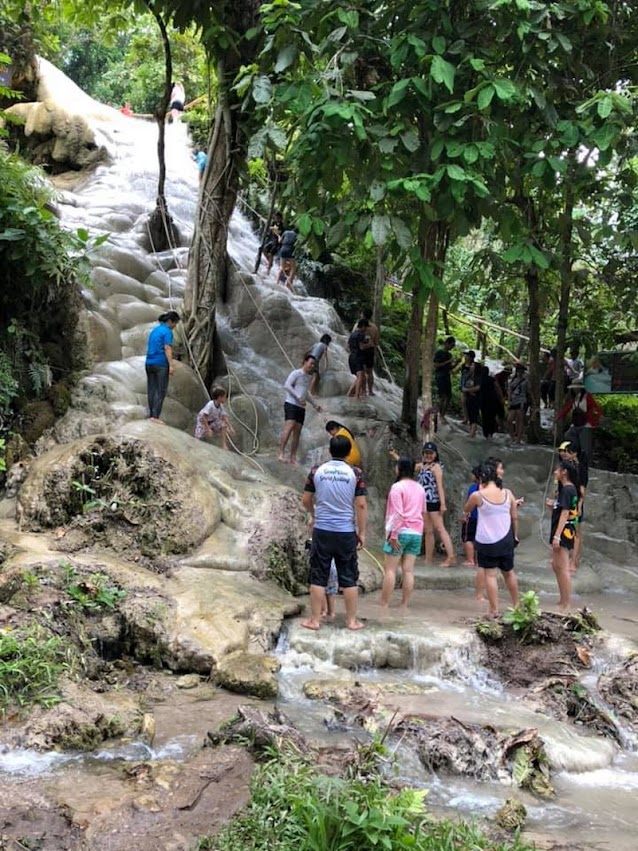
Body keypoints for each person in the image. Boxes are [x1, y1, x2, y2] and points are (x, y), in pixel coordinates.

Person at [301, 434, 367, 631]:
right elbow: (361, 505)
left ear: (330, 450)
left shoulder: (316, 471)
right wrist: (361, 532)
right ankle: (351, 621)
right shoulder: (355, 473)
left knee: (318, 575)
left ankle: (314, 620)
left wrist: (314, 515)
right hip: (345, 532)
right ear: (348, 453)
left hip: (322, 531)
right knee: (348, 577)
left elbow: (306, 499)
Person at [464, 461, 519, 618]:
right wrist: (515, 535)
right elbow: (514, 516)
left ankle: (494, 610)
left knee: (490, 575)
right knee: (509, 573)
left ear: (482, 478)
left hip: (487, 541)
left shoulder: (477, 495)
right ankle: (517, 606)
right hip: (506, 539)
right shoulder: (508, 493)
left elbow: (467, 509)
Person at [379, 456, 426, 609]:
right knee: (408, 571)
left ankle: (384, 604)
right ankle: (404, 605)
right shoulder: (420, 488)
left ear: (400, 468)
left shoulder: (397, 487)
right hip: (416, 533)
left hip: (400, 532)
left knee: (390, 570)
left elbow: (398, 514)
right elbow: (423, 512)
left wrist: (393, 536)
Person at [415, 442, 455, 566]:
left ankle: (451, 557)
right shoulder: (422, 466)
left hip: (434, 502)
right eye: (426, 453)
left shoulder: (436, 467)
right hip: (423, 503)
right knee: (428, 531)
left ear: (436, 454)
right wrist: (395, 455)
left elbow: (439, 486)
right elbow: (406, 465)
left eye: (431, 453)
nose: (428, 455)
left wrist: (442, 504)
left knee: (440, 529)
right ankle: (428, 559)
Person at [547, 461, 579, 612]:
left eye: (557, 470)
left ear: (564, 472)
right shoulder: (567, 490)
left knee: (563, 568)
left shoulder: (567, 489)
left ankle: (566, 603)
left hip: (564, 532)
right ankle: (562, 599)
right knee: (556, 565)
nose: (555, 472)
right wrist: (552, 506)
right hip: (563, 530)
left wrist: (557, 536)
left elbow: (566, 513)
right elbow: (562, 510)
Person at [278, 355, 322, 464]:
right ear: (305, 362)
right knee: (289, 427)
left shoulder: (307, 377)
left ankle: (292, 457)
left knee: (297, 431)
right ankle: (281, 453)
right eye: (311, 363)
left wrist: (315, 405)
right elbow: (287, 385)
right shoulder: (296, 373)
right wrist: (298, 397)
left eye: (314, 364)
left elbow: (306, 393)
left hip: (301, 407)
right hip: (291, 403)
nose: (312, 366)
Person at [145, 311, 180, 423]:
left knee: (151, 389)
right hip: (160, 364)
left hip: (149, 363)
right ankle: (155, 417)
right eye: (175, 323)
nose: (175, 326)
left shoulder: (155, 330)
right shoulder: (167, 331)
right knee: (161, 391)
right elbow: (167, 348)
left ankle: (151, 415)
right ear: (170, 321)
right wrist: (171, 365)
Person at [558, 441, 588, 571]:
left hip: (575, 503)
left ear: (574, 453)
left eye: (567, 452)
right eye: (563, 451)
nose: (564, 454)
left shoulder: (579, 468)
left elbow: (582, 489)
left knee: (575, 533)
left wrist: (579, 506)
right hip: (566, 500)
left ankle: (574, 562)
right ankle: (568, 558)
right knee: (566, 530)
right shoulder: (565, 466)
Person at [556, 382, 603, 461]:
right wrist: (558, 417)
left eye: (577, 387)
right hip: (576, 423)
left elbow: (596, 406)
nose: (575, 389)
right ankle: (576, 453)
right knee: (568, 435)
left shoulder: (587, 397)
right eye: (574, 388)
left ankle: (585, 462)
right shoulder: (574, 399)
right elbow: (566, 409)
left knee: (586, 446)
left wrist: (600, 415)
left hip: (586, 424)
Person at [353, 308, 380, 396]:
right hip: (370, 351)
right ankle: (371, 391)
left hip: (360, 351)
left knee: (362, 371)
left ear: (363, 315)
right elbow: (376, 342)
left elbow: (353, 336)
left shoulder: (358, 325)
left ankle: (364, 391)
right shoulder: (375, 327)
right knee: (370, 371)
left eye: (361, 314)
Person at [433, 336, 458, 422]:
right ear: (447, 343)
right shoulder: (439, 352)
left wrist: (456, 363)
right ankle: (439, 414)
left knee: (448, 396)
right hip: (440, 376)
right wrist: (448, 361)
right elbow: (436, 365)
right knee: (443, 396)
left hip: (447, 376)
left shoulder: (449, 355)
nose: (452, 347)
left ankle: (442, 415)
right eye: (451, 345)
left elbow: (450, 368)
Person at [346, 319, 370, 400]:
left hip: (351, 357)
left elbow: (348, 347)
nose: (366, 329)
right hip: (358, 357)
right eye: (365, 327)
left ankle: (349, 394)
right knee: (360, 377)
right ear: (362, 326)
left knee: (360, 377)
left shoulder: (352, 334)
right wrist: (369, 344)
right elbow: (361, 347)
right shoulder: (361, 334)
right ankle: (357, 396)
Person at [479, 365, 503, 439]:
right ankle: (491, 432)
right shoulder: (492, 379)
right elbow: (497, 388)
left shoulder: (479, 380)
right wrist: (501, 398)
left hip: (483, 400)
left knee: (485, 417)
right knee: (491, 417)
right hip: (493, 399)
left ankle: (486, 434)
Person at [507, 363, 528, 444]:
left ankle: (518, 439)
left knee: (520, 420)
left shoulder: (525, 381)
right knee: (509, 419)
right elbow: (509, 391)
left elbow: (529, 391)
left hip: (521, 401)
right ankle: (512, 437)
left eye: (521, 371)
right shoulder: (512, 380)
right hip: (513, 401)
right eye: (518, 371)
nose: (519, 372)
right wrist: (509, 401)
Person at [461, 360, 481, 438]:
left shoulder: (478, 377)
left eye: (473, 366)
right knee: (470, 415)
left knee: (474, 417)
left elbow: (478, 387)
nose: (471, 367)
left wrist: (468, 390)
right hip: (468, 398)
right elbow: (464, 385)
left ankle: (472, 433)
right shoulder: (468, 376)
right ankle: (470, 432)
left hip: (475, 399)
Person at [459, 350, 476, 423]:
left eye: (468, 356)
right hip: (463, 384)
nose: (466, 357)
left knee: (469, 402)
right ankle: (466, 418)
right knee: (463, 401)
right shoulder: (463, 365)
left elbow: (472, 376)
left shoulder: (473, 366)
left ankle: (470, 418)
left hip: (470, 385)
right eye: (466, 356)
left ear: (471, 357)